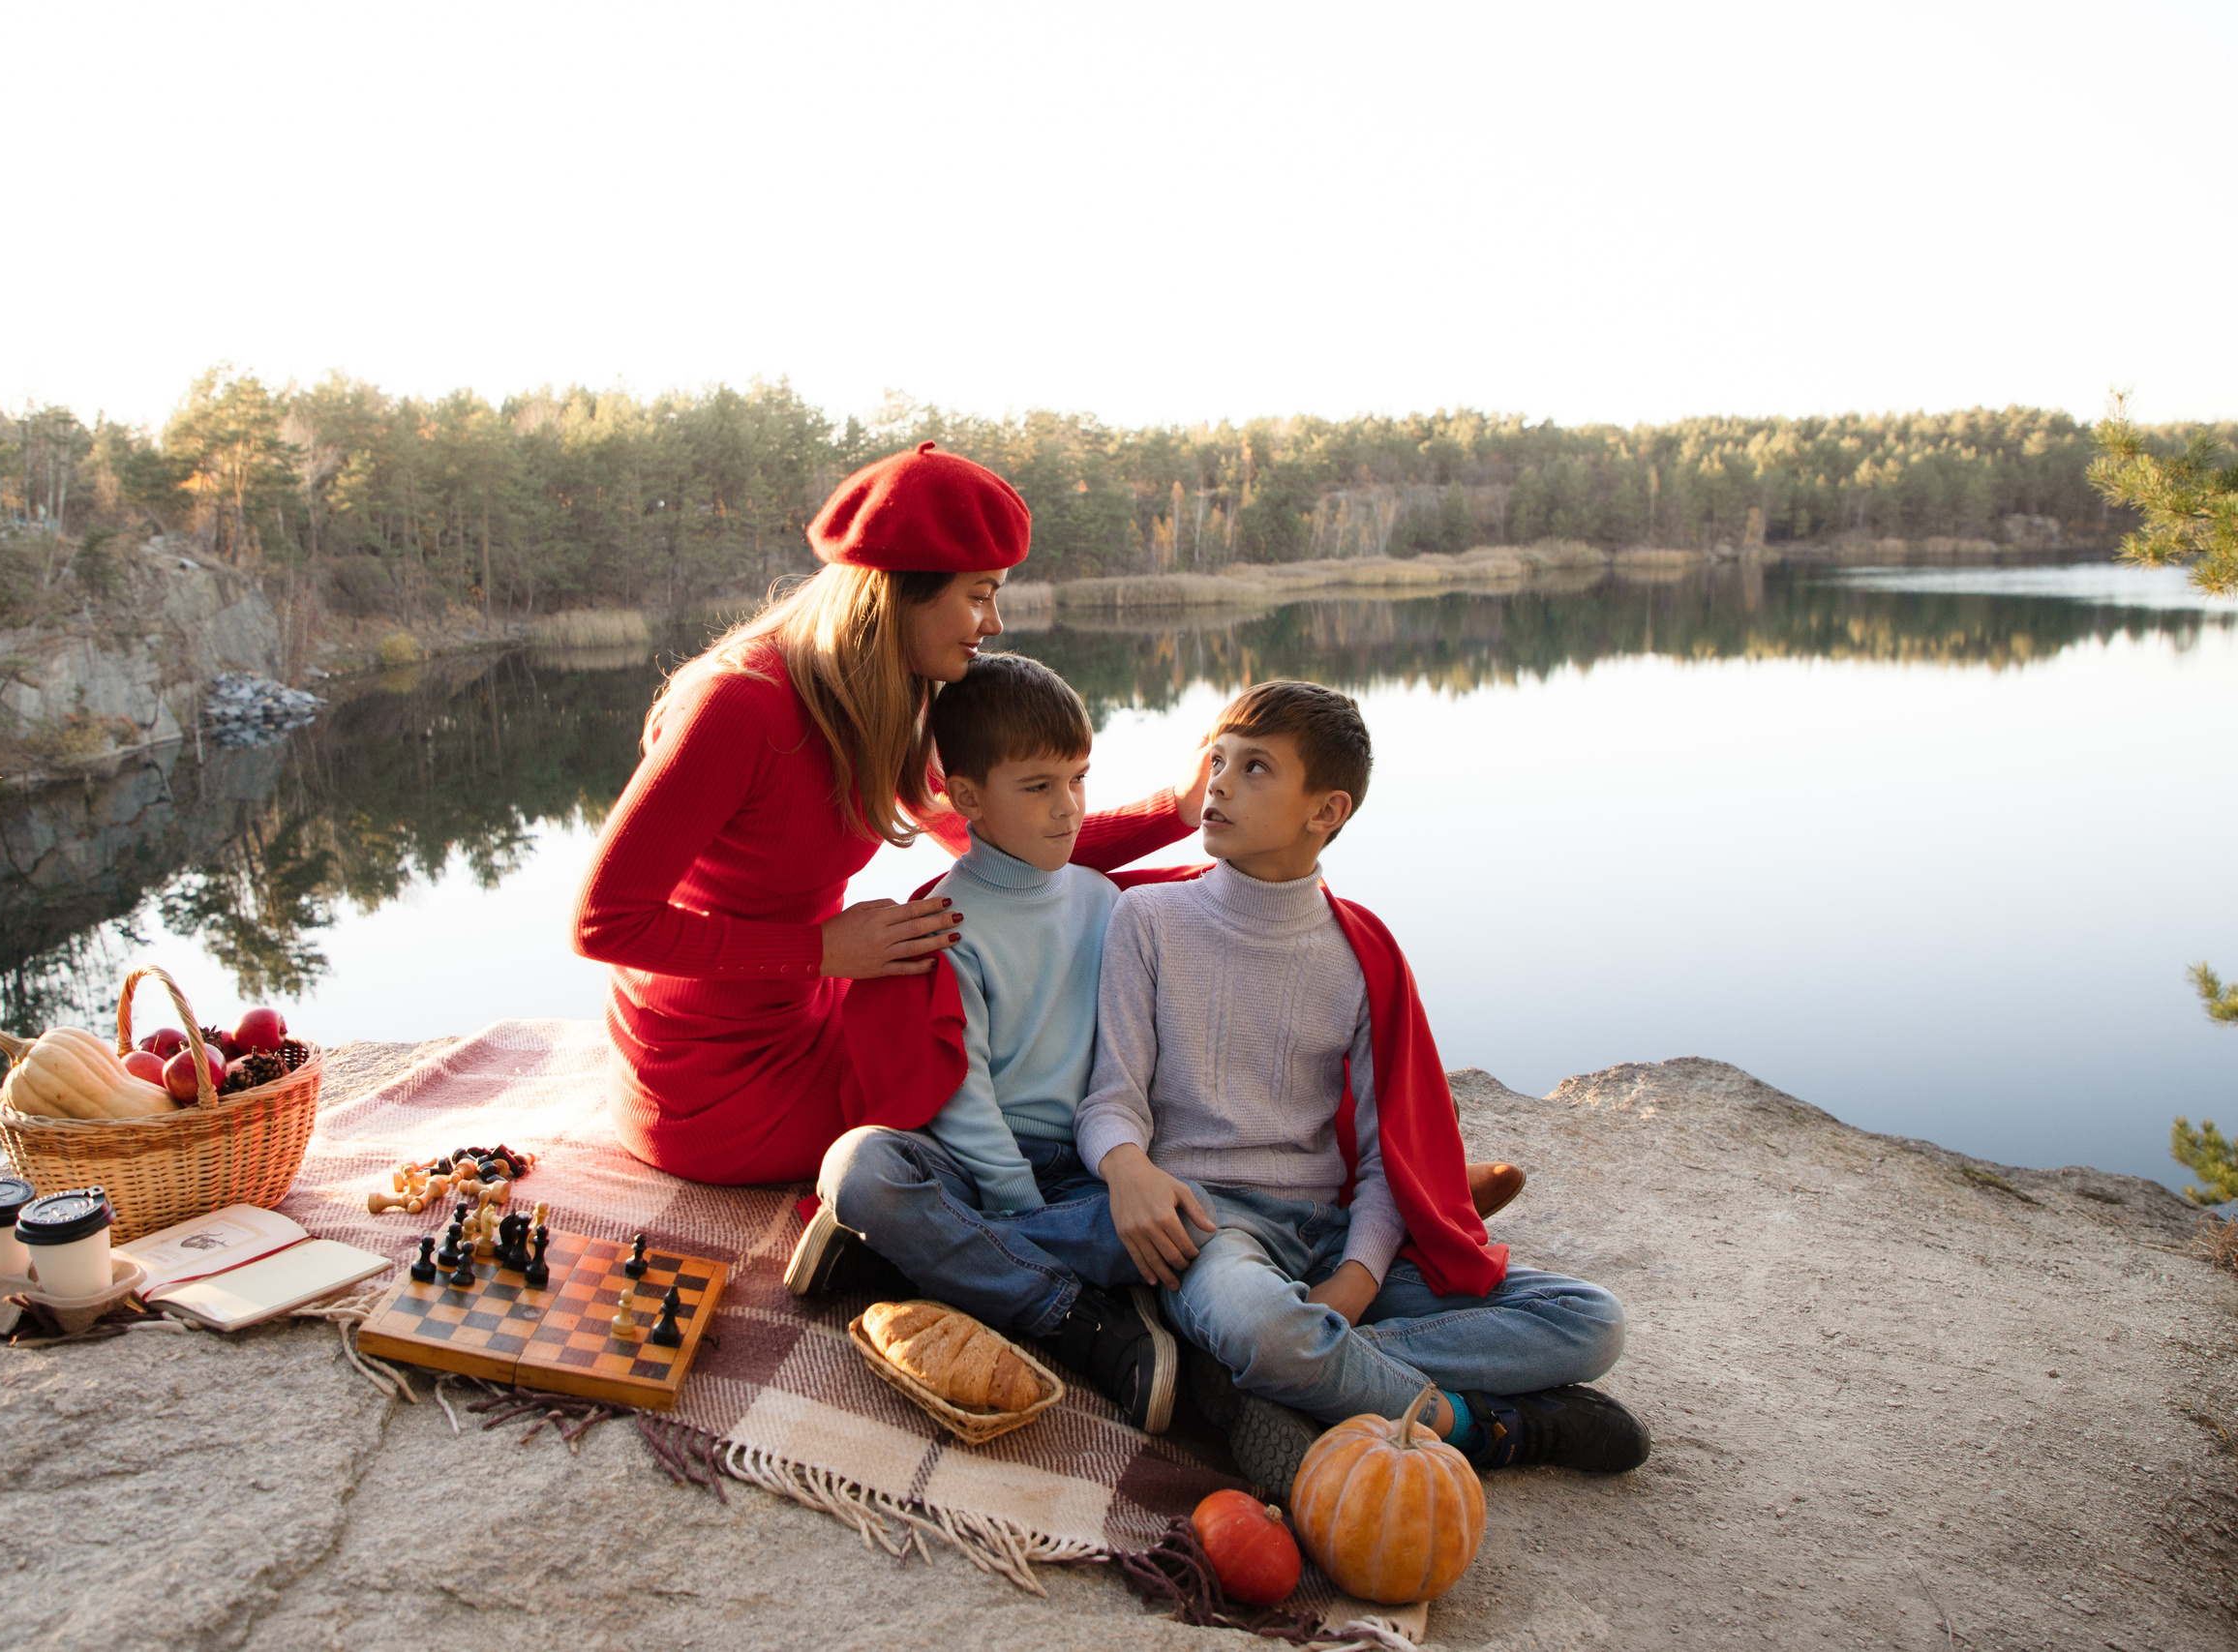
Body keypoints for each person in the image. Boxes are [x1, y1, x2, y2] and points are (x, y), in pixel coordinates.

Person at [571, 441, 1202, 1186]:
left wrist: (1183, 809)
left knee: (1127, 915)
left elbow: (1012, 836)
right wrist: (820, 951)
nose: (993, 621)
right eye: (978, 594)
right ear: (898, 591)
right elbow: (603, 923)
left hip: (808, 1006)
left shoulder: (893, 694)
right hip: (712, 1082)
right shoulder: (737, 705)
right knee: (957, 1079)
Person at [1078, 679, 1648, 1492]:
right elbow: (1113, 1097)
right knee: (1266, 1331)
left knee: (1591, 1321)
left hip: (1331, 1230)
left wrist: (1358, 1277)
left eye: (1255, 768)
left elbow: (1391, 1156)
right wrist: (1126, 1164)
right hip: (1213, 1231)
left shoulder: (1361, 951)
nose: (1218, 784)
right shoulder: (1150, 921)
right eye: (1216, 760)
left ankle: (1300, 1375)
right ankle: (1490, 1424)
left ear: (1326, 810)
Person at [795, 653, 1180, 1433]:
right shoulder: (947, 919)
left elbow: (1134, 1050)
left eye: (1078, 778)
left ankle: (911, 1257)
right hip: (972, 1165)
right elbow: (961, 1093)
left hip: (1082, 1164)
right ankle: (1072, 1315)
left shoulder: (1108, 903)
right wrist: (1013, 1197)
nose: (1068, 808)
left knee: (1188, 1221)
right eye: (1038, 787)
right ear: (966, 796)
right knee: (859, 1167)